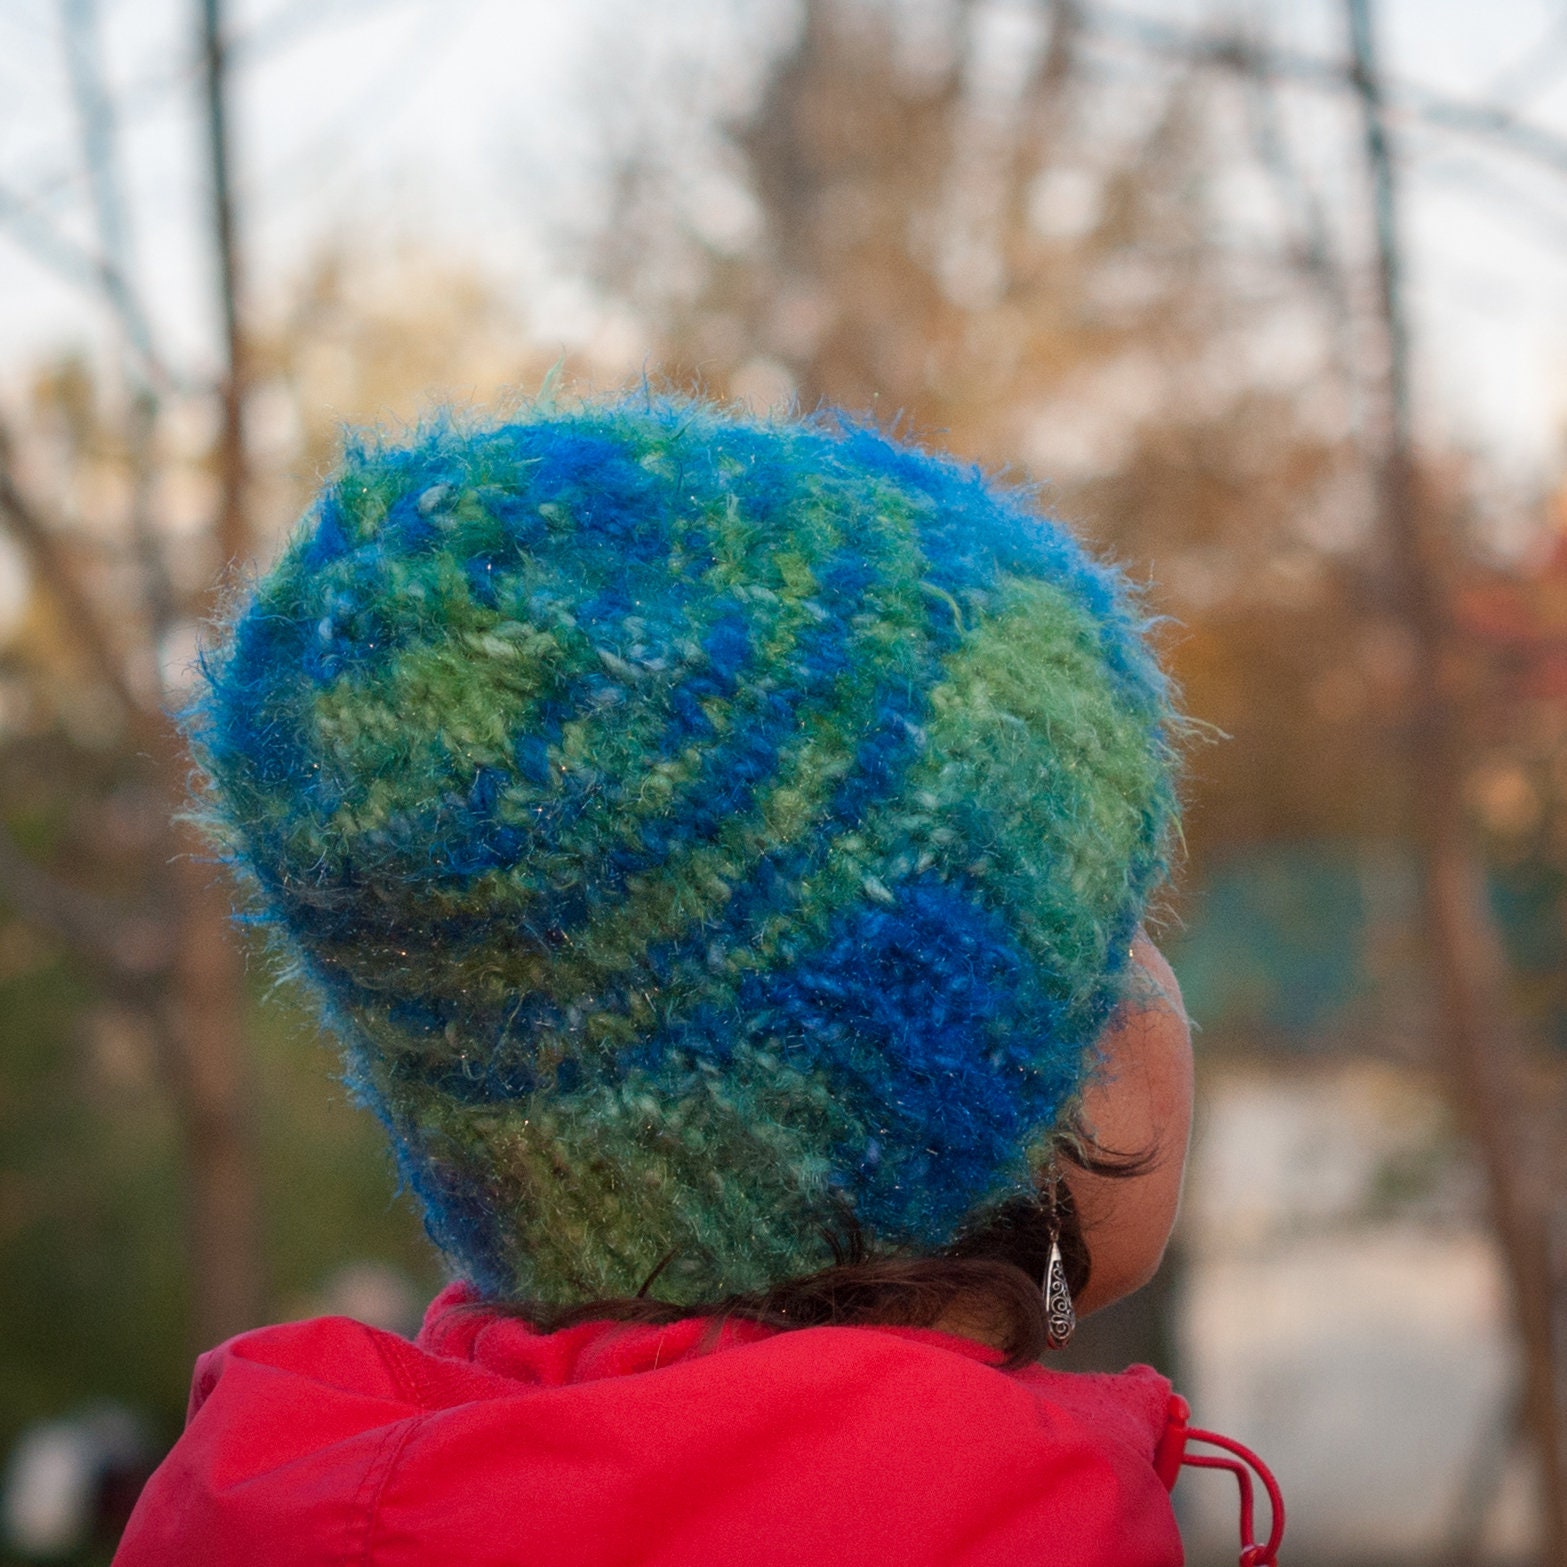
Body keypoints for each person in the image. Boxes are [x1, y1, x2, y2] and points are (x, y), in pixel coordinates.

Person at [113, 397, 1279, 1566]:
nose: (1154, 982)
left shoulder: (280, 1496)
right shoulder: (1001, 1530)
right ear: (959, 1095)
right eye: (1120, 922)